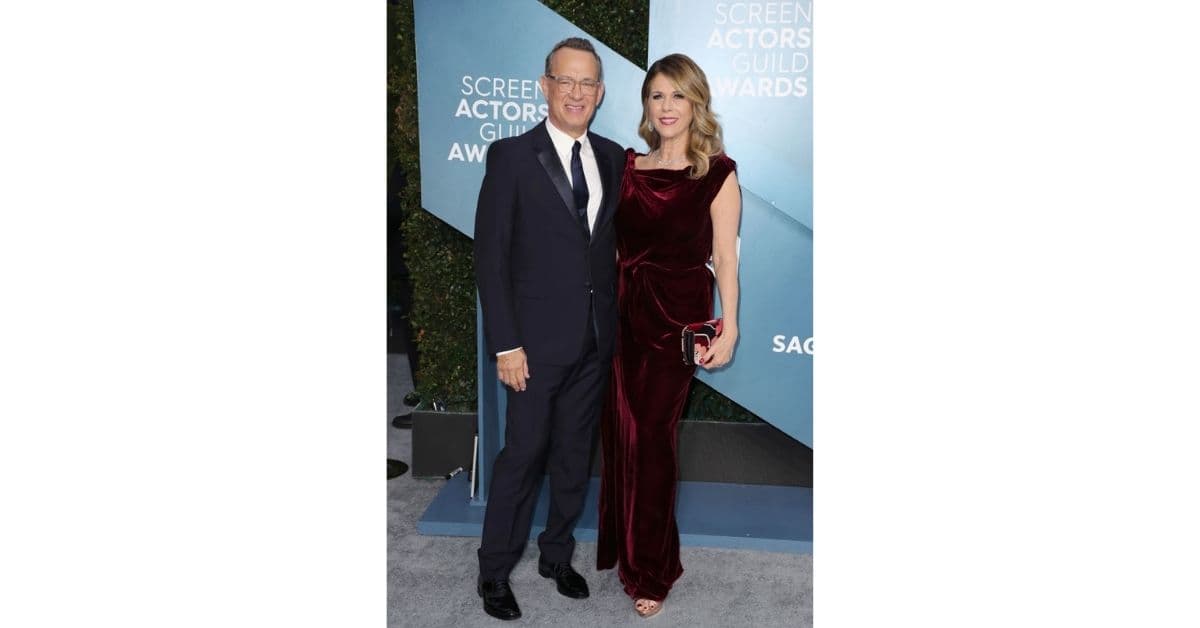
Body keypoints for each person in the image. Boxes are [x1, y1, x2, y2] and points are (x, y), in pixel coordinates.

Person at [473, 37, 625, 622]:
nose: (576, 92)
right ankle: (493, 570)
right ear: (545, 86)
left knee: (572, 457)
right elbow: (491, 258)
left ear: (600, 92)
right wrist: (506, 344)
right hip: (532, 347)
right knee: (522, 456)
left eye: (588, 83)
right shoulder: (512, 156)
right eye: (566, 80)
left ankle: (556, 555)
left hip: (594, 341)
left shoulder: (612, 157)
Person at [596, 53, 742, 619]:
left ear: (696, 102)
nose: (666, 106)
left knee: (652, 440)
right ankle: (631, 553)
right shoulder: (627, 167)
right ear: (645, 105)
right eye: (657, 95)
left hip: (675, 321)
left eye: (677, 95)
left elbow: (725, 258)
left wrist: (730, 325)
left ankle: (654, 568)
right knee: (622, 435)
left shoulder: (717, 173)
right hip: (622, 316)